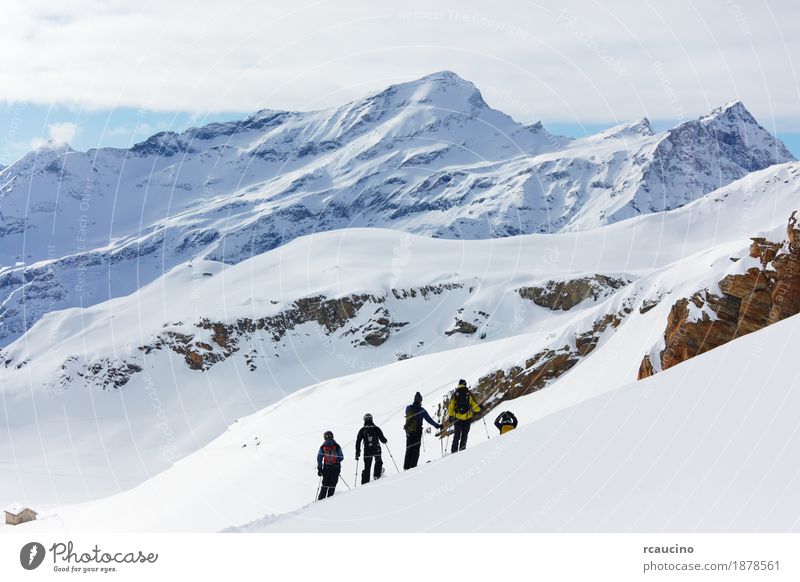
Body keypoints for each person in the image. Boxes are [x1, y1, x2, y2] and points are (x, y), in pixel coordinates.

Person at [403, 391, 441, 470]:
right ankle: (413, 467)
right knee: (416, 450)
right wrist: (437, 425)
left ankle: (406, 468)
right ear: (420, 401)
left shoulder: (408, 408)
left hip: (409, 432)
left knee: (409, 449)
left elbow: (407, 416)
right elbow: (429, 420)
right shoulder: (422, 410)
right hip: (417, 432)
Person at [446, 379, 481, 453]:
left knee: (457, 436)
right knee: (464, 435)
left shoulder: (455, 394)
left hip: (457, 418)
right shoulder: (468, 393)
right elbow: (474, 404)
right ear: (465, 384)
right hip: (467, 418)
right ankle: (462, 451)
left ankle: (454, 451)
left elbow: (451, 406)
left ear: (459, 384)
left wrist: (450, 416)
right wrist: (479, 409)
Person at [355, 413, 387, 484]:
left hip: (367, 452)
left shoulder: (362, 430)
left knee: (367, 467)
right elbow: (383, 439)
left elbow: (358, 442)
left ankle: (365, 483)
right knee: (378, 461)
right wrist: (385, 440)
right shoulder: (376, 428)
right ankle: (377, 476)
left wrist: (357, 452)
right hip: (377, 450)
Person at [317, 430, 344, 500]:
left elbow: (319, 458)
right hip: (336, 468)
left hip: (326, 469)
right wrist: (337, 461)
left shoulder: (323, 447)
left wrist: (320, 469)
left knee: (325, 485)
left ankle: (320, 501)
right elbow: (341, 457)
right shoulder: (337, 446)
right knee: (332, 485)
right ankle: (330, 501)